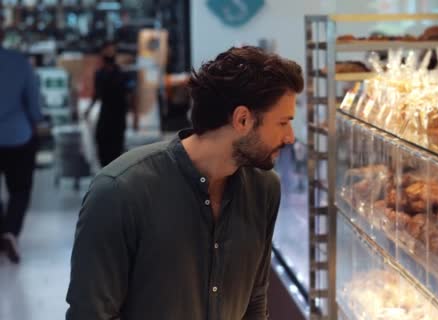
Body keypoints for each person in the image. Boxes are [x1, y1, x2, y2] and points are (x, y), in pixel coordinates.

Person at [66, 46, 303, 319]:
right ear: (242, 119)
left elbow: (254, 299)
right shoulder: (120, 192)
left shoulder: (264, 189)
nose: (290, 137)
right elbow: (90, 313)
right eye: (283, 122)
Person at [0, 25, 44, 264]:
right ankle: (10, 232)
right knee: (20, 189)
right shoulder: (19, 62)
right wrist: (38, 121)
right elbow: (33, 102)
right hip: (18, 136)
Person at [84, 41, 136, 167]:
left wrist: (134, 116)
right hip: (106, 115)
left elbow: (129, 95)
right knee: (102, 144)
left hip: (118, 116)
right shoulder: (100, 73)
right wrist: (89, 110)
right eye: (107, 50)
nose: (109, 52)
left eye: (112, 50)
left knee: (116, 149)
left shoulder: (122, 73)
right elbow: (97, 94)